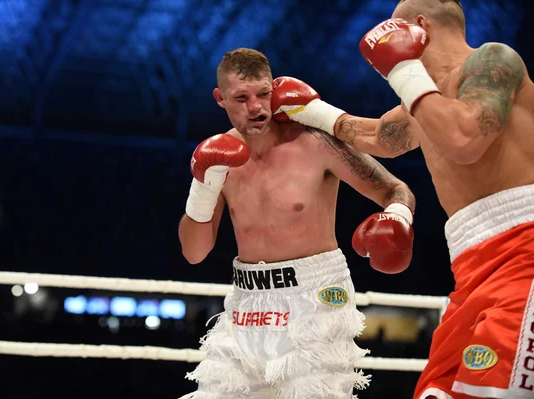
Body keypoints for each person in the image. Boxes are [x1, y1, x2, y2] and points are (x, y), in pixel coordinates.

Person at [270, 1, 534, 398]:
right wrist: (311, 111)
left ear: (419, 28)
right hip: (471, 266)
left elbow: (465, 140)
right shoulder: (425, 105)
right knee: (437, 391)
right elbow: (382, 139)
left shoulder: (493, 59)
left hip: (524, 254)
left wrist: (403, 69)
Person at [178, 47, 417, 399]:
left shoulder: (315, 142)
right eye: (241, 98)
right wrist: (202, 185)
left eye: (263, 94)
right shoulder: (217, 159)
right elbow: (195, 253)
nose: (256, 107)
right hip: (246, 301)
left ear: (276, 89)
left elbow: (396, 189)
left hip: (317, 297)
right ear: (220, 98)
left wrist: (397, 217)